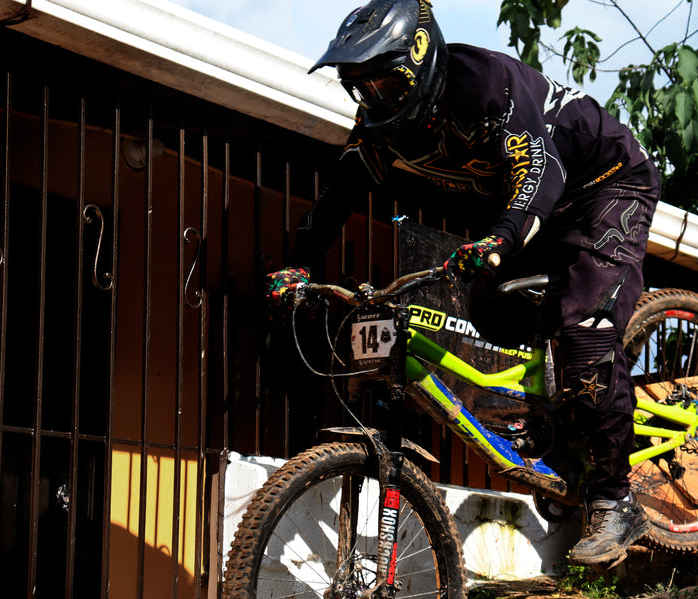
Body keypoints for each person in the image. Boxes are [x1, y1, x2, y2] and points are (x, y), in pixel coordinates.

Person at [267, 0, 662, 565]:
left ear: (421, 59)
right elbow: (338, 194)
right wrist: (297, 264)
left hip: (606, 184)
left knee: (585, 334)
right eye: (362, 87)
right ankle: (562, 417)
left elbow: (540, 172)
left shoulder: (486, 86)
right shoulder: (379, 127)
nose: (375, 97)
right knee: (489, 307)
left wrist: (500, 239)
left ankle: (615, 500)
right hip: (543, 209)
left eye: (386, 82)